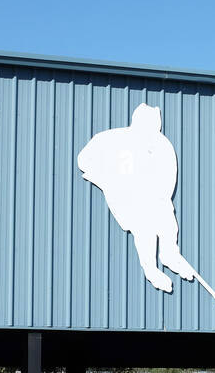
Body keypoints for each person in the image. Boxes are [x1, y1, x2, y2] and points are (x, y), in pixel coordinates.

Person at [76, 103, 194, 293]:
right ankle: (151, 268)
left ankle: (169, 253)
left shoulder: (161, 143)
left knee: (167, 222)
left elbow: (168, 173)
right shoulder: (113, 138)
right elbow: (84, 159)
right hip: (126, 196)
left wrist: (162, 199)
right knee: (144, 227)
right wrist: (103, 178)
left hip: (155, 196)